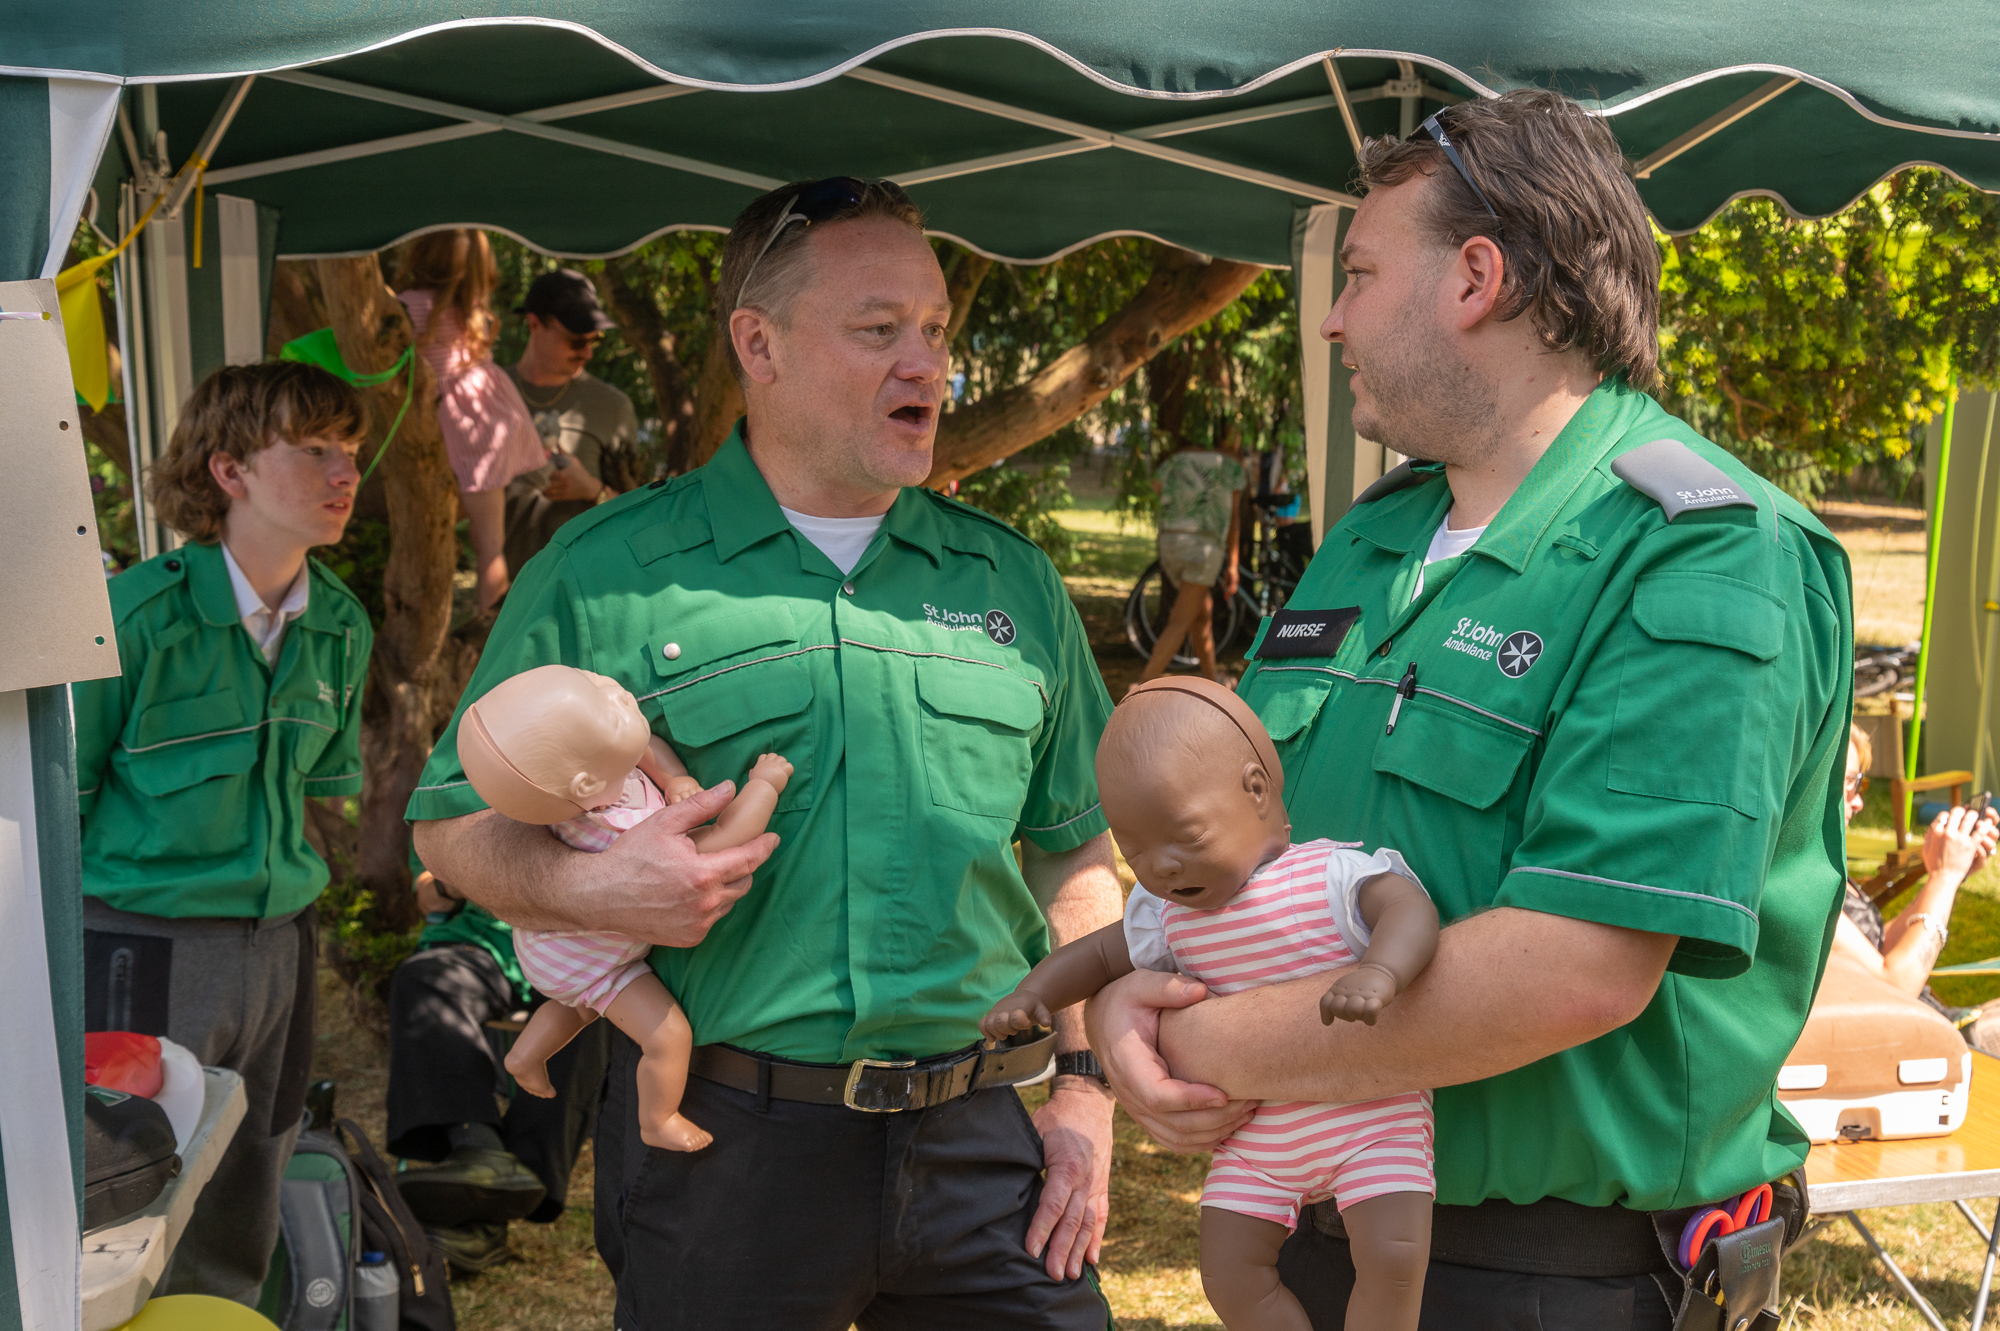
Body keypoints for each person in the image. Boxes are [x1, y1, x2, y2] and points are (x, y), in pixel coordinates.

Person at [1085, 90, 1852, 1329]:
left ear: (1475, 279)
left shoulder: (1702, 555)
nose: (1331, 317)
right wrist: (1137, 992)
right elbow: (1266, 866)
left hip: (1546, 1278)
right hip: (1326, 1234)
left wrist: (1201, 1043)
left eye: (1363, 272)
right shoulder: (1374, 537)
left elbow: (1572, 967)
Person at [410, 176, 1124, 1330]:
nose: (926, 364)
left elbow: (1072, 852)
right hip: (724, 1144)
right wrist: (588, 883)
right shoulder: (608, 570)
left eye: (936, 329)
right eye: (878, 328)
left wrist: (1086, 1089)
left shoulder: (1012, 581)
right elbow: (449, 821)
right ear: (759, 342)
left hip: (984, 1143)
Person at [73, 362, 372, 1303]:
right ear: (229, 470)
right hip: (141, 946)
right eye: (315, 448)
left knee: (251, 1179)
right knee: (124, 1194)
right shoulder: (134, 617)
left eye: (352, 451)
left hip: (282, 947)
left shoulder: (341, 625)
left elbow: (323, 793)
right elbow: (55, 807)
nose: (344, 472)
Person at [385, 856, 608, 1274]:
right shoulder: (460, 790)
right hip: (480, 946)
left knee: (596, 1009)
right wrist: (462, 881)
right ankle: (479, 1149)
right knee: (423, 978)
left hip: (578, 951)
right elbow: (429, 895)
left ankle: (491, 1209)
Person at [396, 229, 546, 610]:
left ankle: (486, 622)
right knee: (490, 547)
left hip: (458, 425)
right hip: (490, 420)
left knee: (484, 549)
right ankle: (488, 622)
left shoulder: (408, 305)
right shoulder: (472, 308)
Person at [1832, 724, 2000, 1048]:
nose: (1859, 803)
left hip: (1939, 1024)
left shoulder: (1826, 870)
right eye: (1852, 784)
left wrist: (1951, 874)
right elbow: (1892, 987)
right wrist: (1944, 877)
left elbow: (1880, 950)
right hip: (1921, 1047)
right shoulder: (1802, 886)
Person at [501, 268, 641, 576]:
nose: (588, 352)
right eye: (577, 341)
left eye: (596, 340)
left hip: (592, 592)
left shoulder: (612, 407)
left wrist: (594, 490)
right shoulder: (489, 395)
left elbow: (643, 517)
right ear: (534, 324)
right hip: (507, 597)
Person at [1137, 432, 1247, 688]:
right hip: (1203, 547)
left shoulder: (1175, 461)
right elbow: (1233, 520)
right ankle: (1141, 687)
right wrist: (1232, 563)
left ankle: (1212, 682)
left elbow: (1155, 489)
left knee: (1201, 615)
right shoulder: (1230, 467)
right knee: (1180, 621)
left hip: (1170, 544)